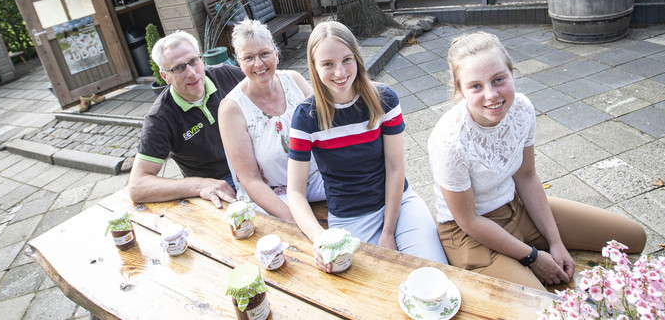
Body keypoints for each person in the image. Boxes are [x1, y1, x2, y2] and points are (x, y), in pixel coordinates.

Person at [428, 31, 646, 290]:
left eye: (499, 80)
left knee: (633, 238)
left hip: (516, 207)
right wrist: (532, 257)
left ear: (512, 73)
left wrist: (556, 242)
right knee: (543, 309)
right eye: (476, 86)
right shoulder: (448, 141)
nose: (492, 95)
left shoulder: (521, 108)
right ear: (459, 89)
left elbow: (526, 176)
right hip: (470, 234)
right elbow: (468, 220)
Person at [287, 21, 448, 272]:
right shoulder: (305, 117)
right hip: (350, 219)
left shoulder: (384, 99)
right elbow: (295, 192)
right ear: (314, 67)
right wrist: (319, 239)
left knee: (435, 273)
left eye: (347, 60)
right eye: (328, 64)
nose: (340, 72)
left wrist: (388, 232)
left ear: (357, 58)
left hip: (399, 204)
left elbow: (396, 169)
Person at [218, 19, 325, 221]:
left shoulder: (295, 80)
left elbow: (325, 130)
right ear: (239, 63)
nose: (258, 64)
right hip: (275, 196)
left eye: (264, 54)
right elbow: (250, 180)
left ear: (276, 54)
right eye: (248, 58)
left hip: (316, 179)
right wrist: (294, 220)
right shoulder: (231, 109)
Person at [127, 30, 245, 208]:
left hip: (256, 162)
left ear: (201, 59)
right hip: (219, 184)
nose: (191, 73)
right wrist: (200, 185)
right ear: (165, 76)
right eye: (179, 68)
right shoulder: (160, 118)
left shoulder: (228, 76)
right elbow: (137, 186)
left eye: (193, 61)